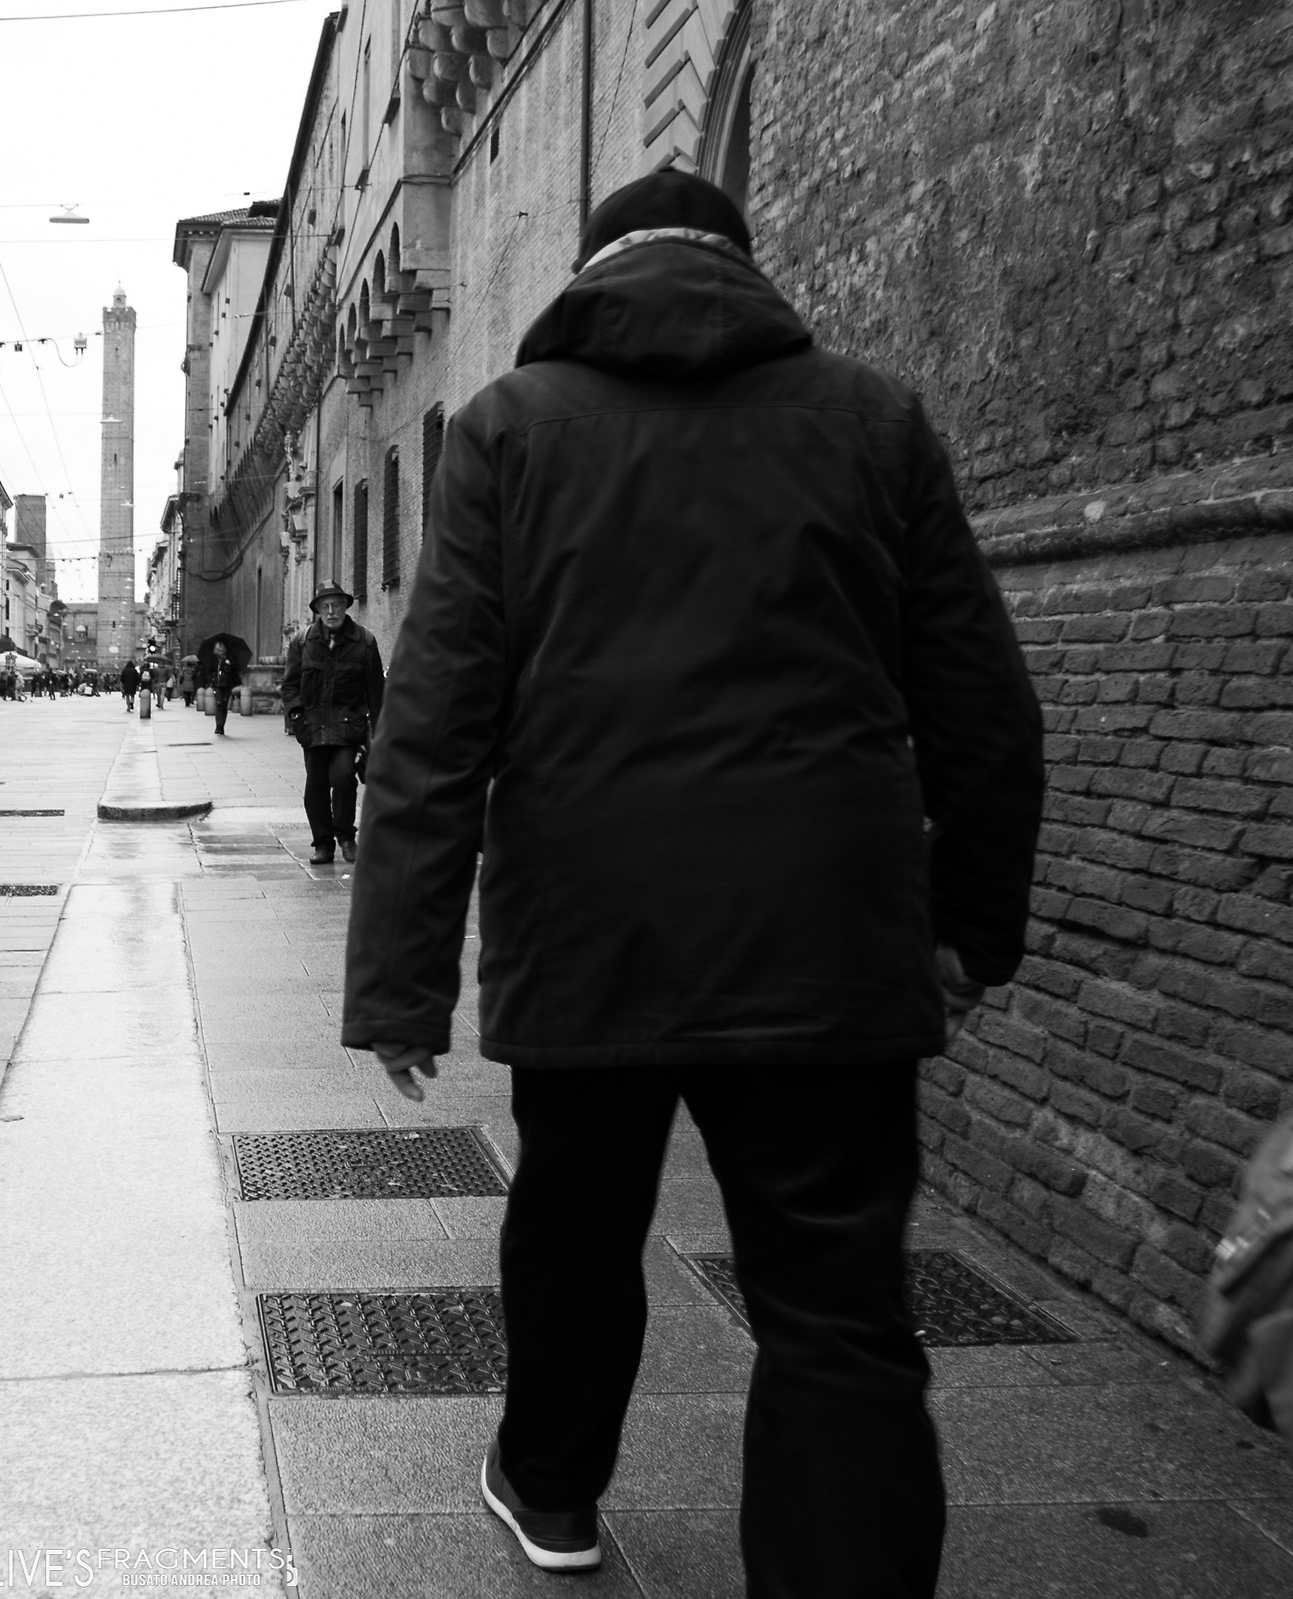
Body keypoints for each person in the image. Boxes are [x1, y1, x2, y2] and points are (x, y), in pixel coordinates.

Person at [341, 171, 1045, 1591]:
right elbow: (982, 703)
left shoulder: (507, 434)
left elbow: (435, 727)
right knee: (838, 1301)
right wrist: (970, 926)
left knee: (578, 1225)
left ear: (594, 274)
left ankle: (551, 1486)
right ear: (740, 267)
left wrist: (403, 985)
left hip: (592, 931)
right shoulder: (874, 421)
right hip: (825, 939)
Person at [280, 582, 382, 865]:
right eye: (324, 606)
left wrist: (381, 734)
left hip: (348, 727)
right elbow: (289, 686)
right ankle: (323, 844)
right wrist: (297, 715)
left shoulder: (364, 641)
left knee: (343, 779)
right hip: (313, 728)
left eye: (336, 605)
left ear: (345, 607)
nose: (331, 611)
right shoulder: (303, 642)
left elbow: (376, 691)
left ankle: (346, 838)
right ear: (317, 611)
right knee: (315, 788)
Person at [211, 648, 243, 737]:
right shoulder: (213, 660)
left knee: (224, 705)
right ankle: (218, 725)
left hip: (226, 685)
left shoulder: (229, 659)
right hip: (217, 685)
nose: (220, 652)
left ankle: (222, 725)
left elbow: (233, 670)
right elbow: (210, 671)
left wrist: (227, 665)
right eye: (218, 650)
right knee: (219, 704)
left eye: (222, 650)